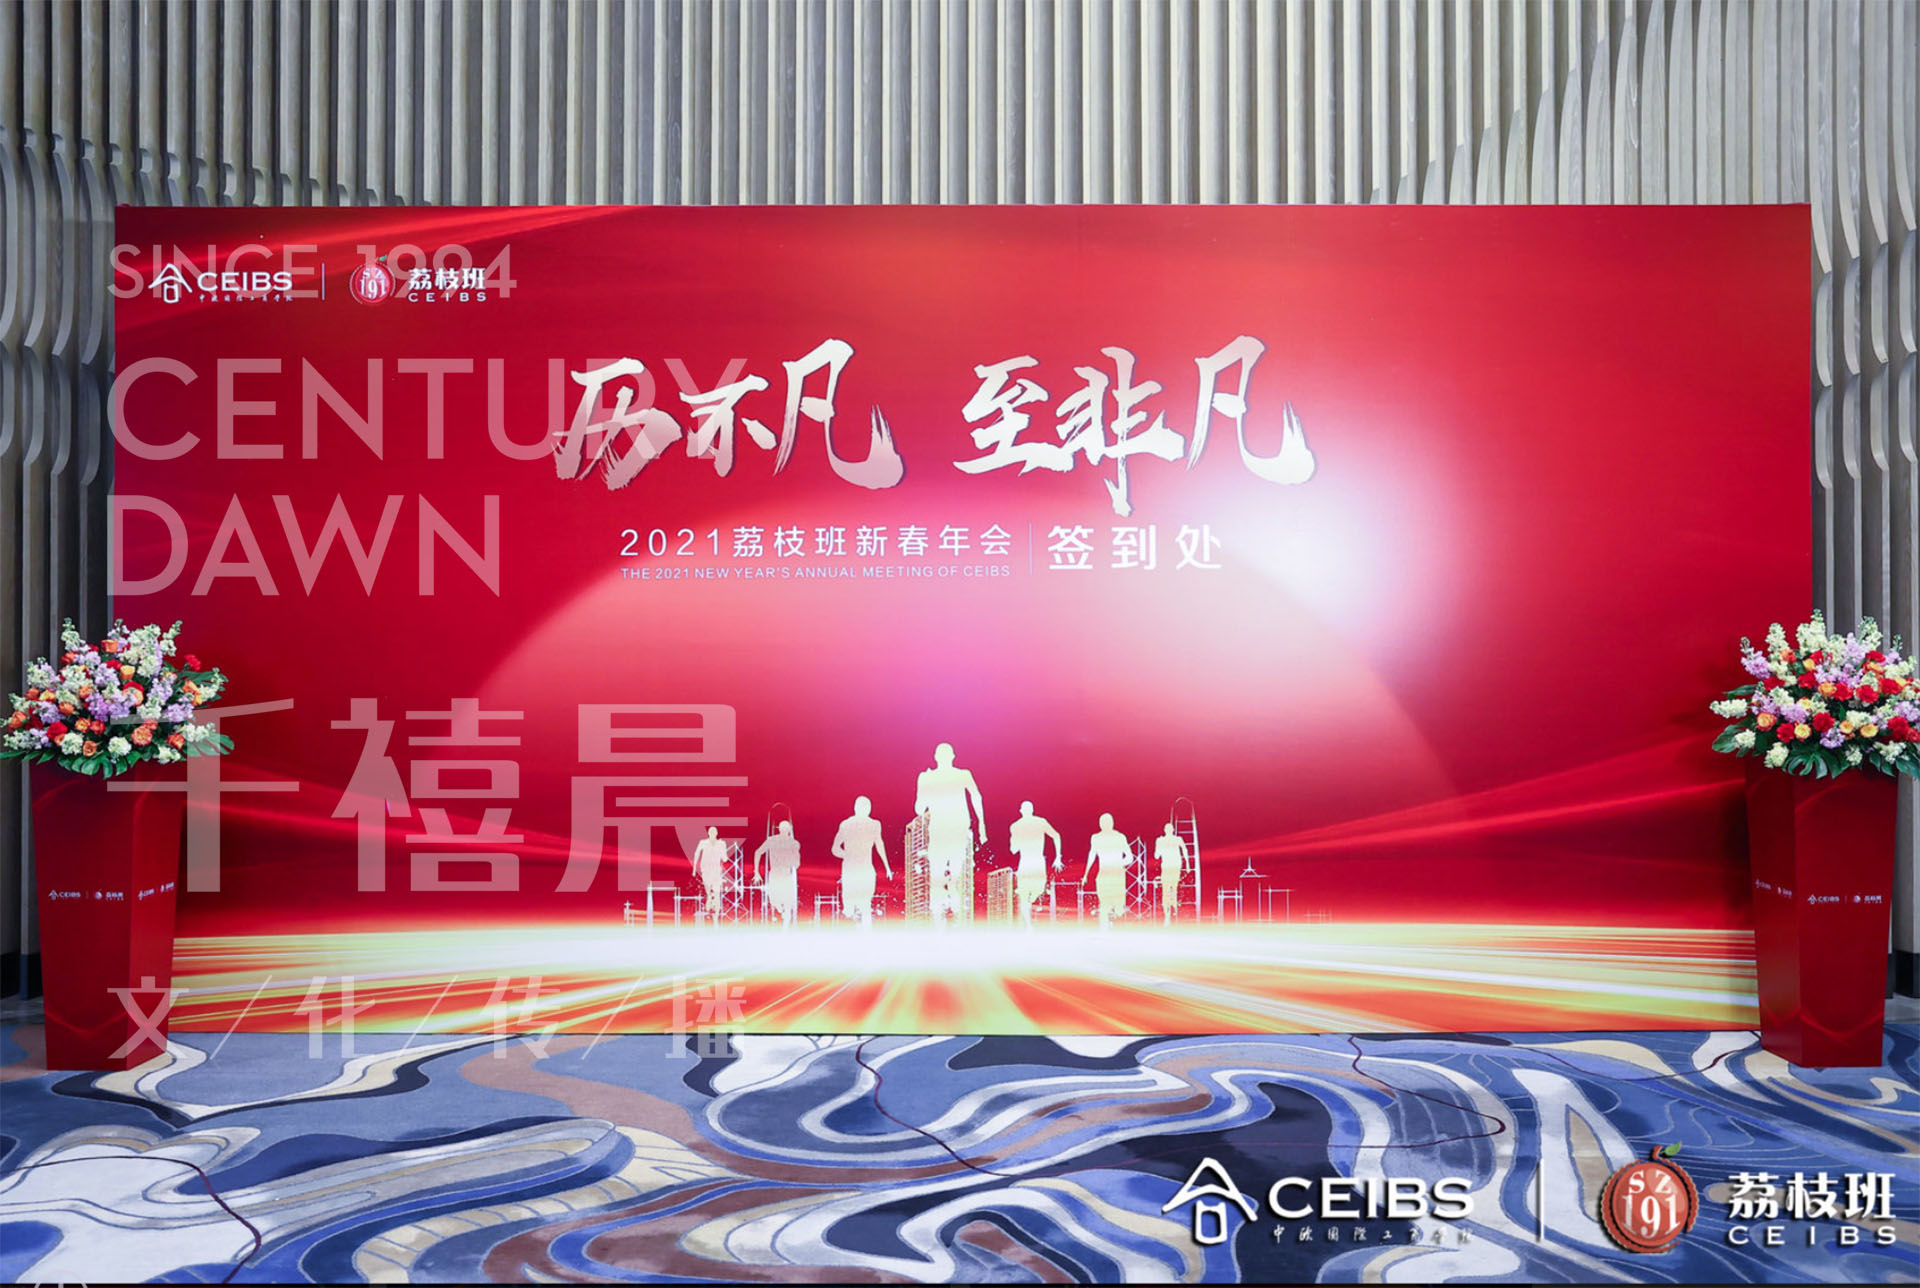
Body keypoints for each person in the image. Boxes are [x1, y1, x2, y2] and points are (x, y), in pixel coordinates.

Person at [914, 742, 985, 924]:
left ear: (936, 757)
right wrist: (981, 825)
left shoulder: (929, 777)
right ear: (953, 756)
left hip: (946, 829)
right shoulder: (961, 775)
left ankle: (942, 920)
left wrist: (925, 787)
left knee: (940, 879)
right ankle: (953, 917)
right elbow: (977, 797)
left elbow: (919, 808)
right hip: (953, 828)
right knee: (952, 878)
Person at [832, 795, 891, 927]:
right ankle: (858, 926)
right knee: (858, 907)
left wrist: (847, 855)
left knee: (860, 907)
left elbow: (835, 849)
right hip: (858, 870)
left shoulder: (853, 825)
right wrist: (848, 855)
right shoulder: (869, 825)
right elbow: (835, 848)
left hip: (859, 870)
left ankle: (860, 928)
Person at [1007, 801, 1062, 929]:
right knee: (1028, 894)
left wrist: (1058, 857)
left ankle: (1029, 900)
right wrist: (1058, 857)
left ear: (1021, 811)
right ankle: (1029, 925)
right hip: (1031, 862)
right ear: (1031, 810)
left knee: (1034, 892)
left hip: (1032, 862)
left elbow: (1013, 849)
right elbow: (1056, 836)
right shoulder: (1019, 825)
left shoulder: (1031, 823)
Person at [1083, 812, 1131, 930]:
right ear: (1100, 824)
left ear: (1112, 823)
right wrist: (1086, 874)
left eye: (1107, 822)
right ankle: (1104, 928)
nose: (1105, 825)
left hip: (1117, 875)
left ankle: (1116, 921)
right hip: (1103, 874)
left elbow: (1130, 857)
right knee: (1104, 903)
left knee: (1118, 907)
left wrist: (1119, 863)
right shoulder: (1096, 838)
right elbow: (1092, 856)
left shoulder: (1120, 837)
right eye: (1103, 822)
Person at [753, 820, 802, 929]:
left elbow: (797, 863)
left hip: (785, 874)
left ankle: (785, 918)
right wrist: (756, 872)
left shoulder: (793, 843)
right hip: (776, 874)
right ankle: (782, 910)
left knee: (785, 901)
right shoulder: (772, 840)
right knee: (775, 900)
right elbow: (758, 852)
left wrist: (791, 860)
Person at [692, 825, 730, 922]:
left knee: (716, 893)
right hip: (706, 870)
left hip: (716, 870)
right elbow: (696, 853)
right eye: (711, 831)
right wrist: (694, 869)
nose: (712, 833)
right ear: (708, 833)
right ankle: (709, 911)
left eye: (714, 831)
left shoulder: (721, 843)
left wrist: (723, 851)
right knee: (709, 893)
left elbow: (725, 858)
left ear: (717, 833)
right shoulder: (703, 842)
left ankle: (716, 917)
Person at [1153, 822, 1188, 925]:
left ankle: (1170, 913)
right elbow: (1157, 855)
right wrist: (1187, 864)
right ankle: (1171, 913)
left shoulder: (1166, 840)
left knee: (1169, 890)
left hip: (1171, 866)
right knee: (1171, 889)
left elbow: (1156, 856)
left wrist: (1187, 864)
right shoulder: (1173, 840)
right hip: (1172, 866)